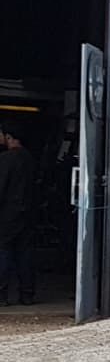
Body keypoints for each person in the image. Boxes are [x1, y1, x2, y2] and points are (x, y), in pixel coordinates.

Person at [0, 123, 35, 306]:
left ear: (9, 137)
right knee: (24, 253)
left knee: (3, 251)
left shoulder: (6, 159)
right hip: (27, 213)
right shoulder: (29, 158)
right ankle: (27, 294)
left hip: (8, 214)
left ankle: (2, 295)